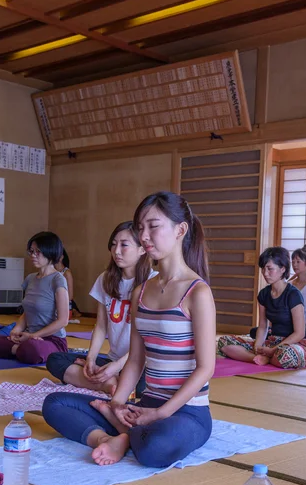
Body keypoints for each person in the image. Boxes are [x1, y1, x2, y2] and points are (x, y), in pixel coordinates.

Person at [42, 191, 215, 468]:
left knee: (155, 449)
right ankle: (111, 437)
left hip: (186, 413)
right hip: (144, 404)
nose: (144, 236)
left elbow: (205, 368)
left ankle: (125, 436)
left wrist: (159, 413)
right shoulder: (141, 292)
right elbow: (136, 360)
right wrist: (117, 404)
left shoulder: (198, 293)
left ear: (180, 229)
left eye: (153, 226)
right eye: (141, 228)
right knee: (54, 404)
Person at [46, 221, 154, 395]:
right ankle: (108, 384)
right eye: (113, 244)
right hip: (113, 360)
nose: (116, 251)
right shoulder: (106, 279)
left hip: (141, 363)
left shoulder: (153, 283)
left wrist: (117, 367)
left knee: (144, 388)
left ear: (142, 249)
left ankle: (113, 380)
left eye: (124, 245)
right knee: (55, 360)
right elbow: (101, 325)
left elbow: (150, 339)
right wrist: (91, 359)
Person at [0, 232, 69, 364]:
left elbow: (63, 320)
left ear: (50, 252)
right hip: (27, 338)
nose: (33, 255)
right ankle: (19, 349)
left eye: (38, 252)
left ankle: (20, 350)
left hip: (51, 340)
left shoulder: (58, 280)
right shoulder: (30, 279)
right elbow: (28, 311)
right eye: (31, 251)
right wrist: (16, 330)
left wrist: (34, 336)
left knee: (31, 350)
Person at [216, 247, 306, 369]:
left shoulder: (293, 294)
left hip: (293, 344)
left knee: (286, 355)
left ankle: (268, 357)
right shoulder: (263, 294)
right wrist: (257, 347)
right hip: (272, 341)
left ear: (282, 269)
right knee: (224, 342)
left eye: (270, 269)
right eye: (263, 269)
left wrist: (273, 349)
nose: (265, 273)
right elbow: (263, 326)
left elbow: (299, 333)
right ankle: (256, 358)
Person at [55, 249, 81, 320]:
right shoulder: (51, 272)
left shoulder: (67, 273)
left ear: (61, 257)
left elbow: (70, 296)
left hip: (62, 306)